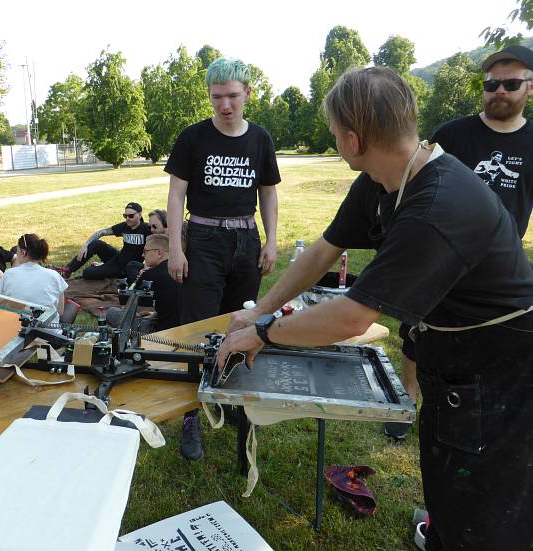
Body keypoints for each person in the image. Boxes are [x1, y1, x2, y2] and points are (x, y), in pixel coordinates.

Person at [219, 66, 533, 550]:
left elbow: (352, 317)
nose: (334, 140)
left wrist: (263, 334)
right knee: (448, 488)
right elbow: (324, 250)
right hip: (451, 358)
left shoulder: (438, 204)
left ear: (353, 139)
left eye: (333, 133)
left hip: (501, 370)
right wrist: (261, 309)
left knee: (487, 513)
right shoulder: (382, 178)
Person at [386, 44, 533, 441]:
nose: (499, 91)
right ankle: (409, 397)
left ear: (530, 87)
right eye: (491, 84)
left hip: (496, 265)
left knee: (487, 338)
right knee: (416, 328)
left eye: (511, 84)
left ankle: (472, 408)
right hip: (438, 252)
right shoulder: (453, 134)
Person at [165, 56, 280, 460]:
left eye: (232, 95)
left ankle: (230, 401)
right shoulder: (193, 138)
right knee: (197, 327)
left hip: (246, 240)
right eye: (217, 97)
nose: (225, 104)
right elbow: (176, 195)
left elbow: (268, 192)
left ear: (248, 92)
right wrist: (175, 247)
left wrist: (271, 240)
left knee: (241, 322)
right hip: (203, 239)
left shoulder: (260, 139)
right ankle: (191, 414)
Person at [107, 234, 180, 332]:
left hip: (162, 334)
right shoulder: (182, 270)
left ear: (159, 253)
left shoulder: (150, 275)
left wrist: (142, 275)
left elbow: (127, 303)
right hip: (188, 327)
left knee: (111, 312)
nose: (142, 255)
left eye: (145, 251)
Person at [61, 202, 150, 280]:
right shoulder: (124, 226)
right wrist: (86, 244)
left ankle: (102, 266)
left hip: (129, 267)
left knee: (87, 273)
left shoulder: (147, 229)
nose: (127, 218)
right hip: (119, 258)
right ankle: (69, 269)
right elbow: (102, 232)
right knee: (96, 244)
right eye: (125, 216)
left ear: (140, 215)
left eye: (131, 216)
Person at [0, 234, 68, 324]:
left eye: (17, 250)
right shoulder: (55, 276)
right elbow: (60, 311)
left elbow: (2, 306)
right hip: (48, 331)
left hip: (15, 329)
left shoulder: (8, 274)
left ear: (23, 252)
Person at [124, 209, 169, 281]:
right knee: (132, 265)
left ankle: (140, 282)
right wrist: (146, 268)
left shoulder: (174, 240)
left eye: (154, 226)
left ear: (166, 224)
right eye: (150, 227)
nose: (151, 230)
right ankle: (140, 281)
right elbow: (149, 258)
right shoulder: (154, 236)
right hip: (154, 266)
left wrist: (149, 270)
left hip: (167, 269)